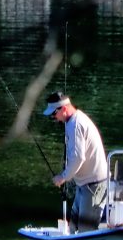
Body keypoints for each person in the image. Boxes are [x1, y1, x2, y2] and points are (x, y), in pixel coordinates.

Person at [43, 92, 108, 232]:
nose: (54, 118)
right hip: (84, 185)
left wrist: (63, 177)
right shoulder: (71, 121)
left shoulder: (75, 125)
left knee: (86, 231)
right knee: (73, 228)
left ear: (64, 109)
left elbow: (79, 158)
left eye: (54, 114)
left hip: (93, 186)